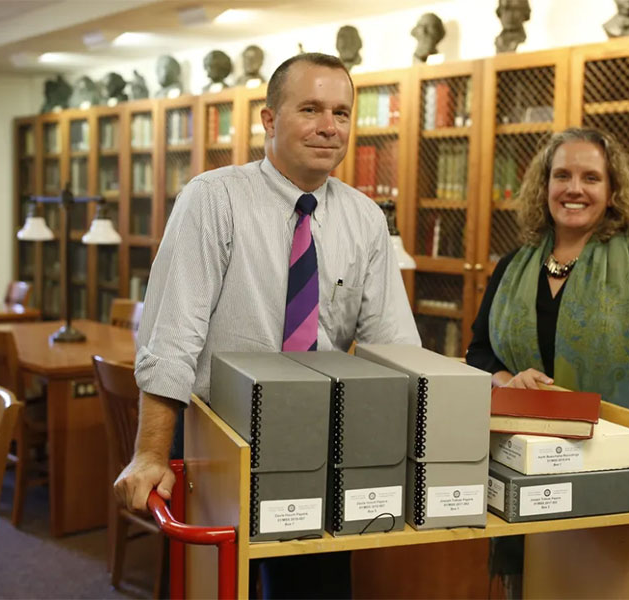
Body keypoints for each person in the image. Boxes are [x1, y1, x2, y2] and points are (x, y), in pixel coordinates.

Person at [115, 52, 419, 598]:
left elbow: (393, 349)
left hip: (322, 437)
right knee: (217, 585)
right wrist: (151, 454)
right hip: (218, 436)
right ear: (268, 119)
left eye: (342, 113)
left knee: (317, 585)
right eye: (310, 109)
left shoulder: (367, 220)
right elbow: (172, 340)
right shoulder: (214, 199)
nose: (330, 126)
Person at [466, 127, 629, 597]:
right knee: (528, 586)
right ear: (543, 186)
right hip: (524, 464)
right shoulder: (512, 265)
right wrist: (509, 380)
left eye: (591, 177)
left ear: (612, 191)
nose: (574, 189)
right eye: (562, 175)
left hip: (614, 469)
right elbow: (478, 351)